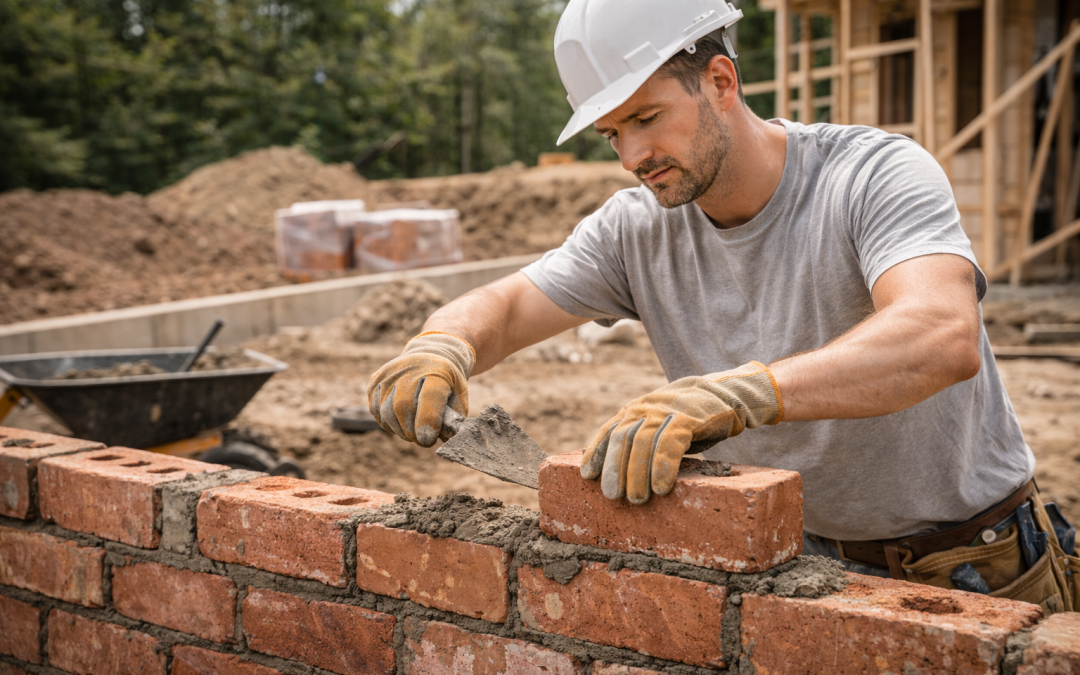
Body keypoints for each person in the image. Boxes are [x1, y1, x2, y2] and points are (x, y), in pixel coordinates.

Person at [368, 0, 1076, 612]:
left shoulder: (871, 175)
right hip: (794, 561)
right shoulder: (636, 228)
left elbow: (940, 335)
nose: (632, 156)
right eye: (612, 133)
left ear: (720, 81)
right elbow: (509, 302)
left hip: (971, 563)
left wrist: (740, 394)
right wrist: (444, 343)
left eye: (647, 117)